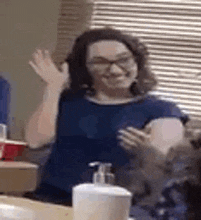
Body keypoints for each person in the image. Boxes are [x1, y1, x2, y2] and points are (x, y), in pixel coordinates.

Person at [24, 28, 188, 218]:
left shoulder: (162, 110)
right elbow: (36, 140)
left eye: (124, 59)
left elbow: (167, 161)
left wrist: (147, 152)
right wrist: (53, 87)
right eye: (100, 63)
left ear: (137, 61)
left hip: (118, 209)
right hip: (51, 201)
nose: (115, 70)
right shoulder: (67, 101)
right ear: (84, 67)